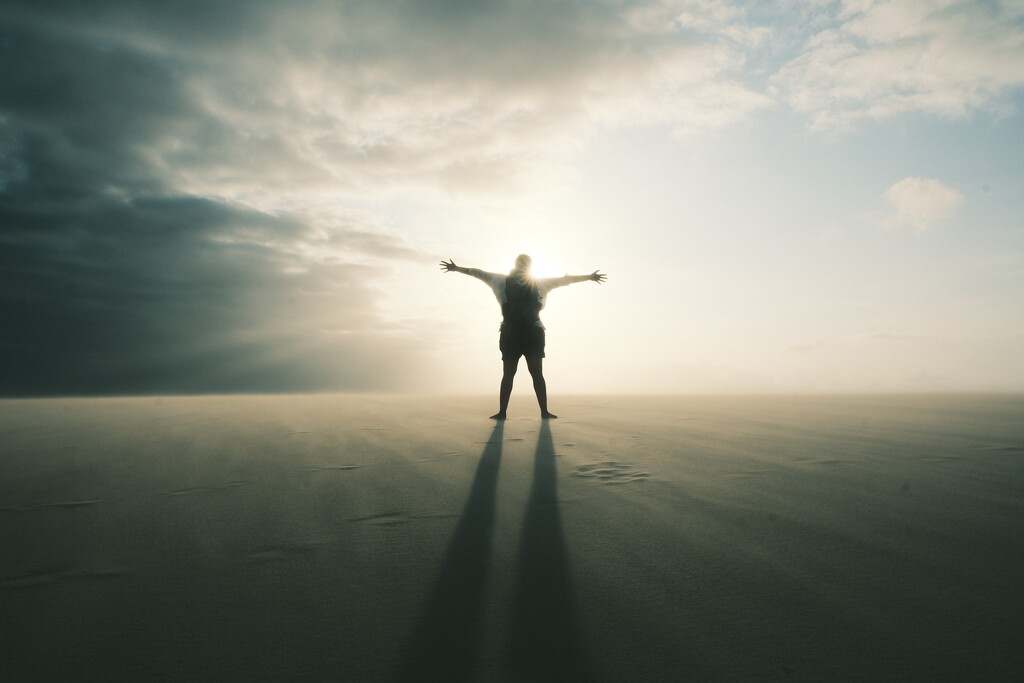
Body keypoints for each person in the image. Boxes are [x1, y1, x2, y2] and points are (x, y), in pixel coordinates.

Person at [440, 254, 606, 419]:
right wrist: (589, 277)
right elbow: (566, 280)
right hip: (533, 332)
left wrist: (456, 269)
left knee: (509, 374)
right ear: (530, 267)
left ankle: (503, 412)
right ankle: (544, 412)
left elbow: (476, 272)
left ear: (515, 265)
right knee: (536, 374)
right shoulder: (540, 282)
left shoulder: (499, 280)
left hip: (510, 332)